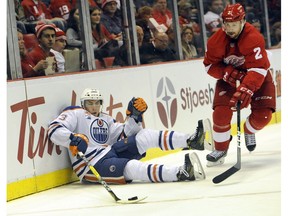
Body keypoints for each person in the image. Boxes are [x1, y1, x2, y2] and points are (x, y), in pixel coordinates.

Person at [48, 88, 209, 184]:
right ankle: (179, 173)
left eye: (97, 102)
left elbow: (125, 134)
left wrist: (134, 116)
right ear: (83, 103)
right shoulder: (75, 113)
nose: (94, 106)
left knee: (145, 136)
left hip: (110, 152)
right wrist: (72, 138)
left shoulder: (105, 118)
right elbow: (54, 129)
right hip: (91, 165)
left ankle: (191, 140)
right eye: (90, 102)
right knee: (131, 166)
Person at [203, 3, 276, 166]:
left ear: (242, 21)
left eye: (233, 25)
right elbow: (209, 66)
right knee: (221, 113)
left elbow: (258, 68)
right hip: (229, 80)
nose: (229, 28)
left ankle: (249, 131)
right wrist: (227, 73)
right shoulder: (216, 41)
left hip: (257, 77)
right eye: (226, 24)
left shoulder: (253, 37)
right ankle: (220, 149)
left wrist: (246, 87)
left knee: (263, 116)